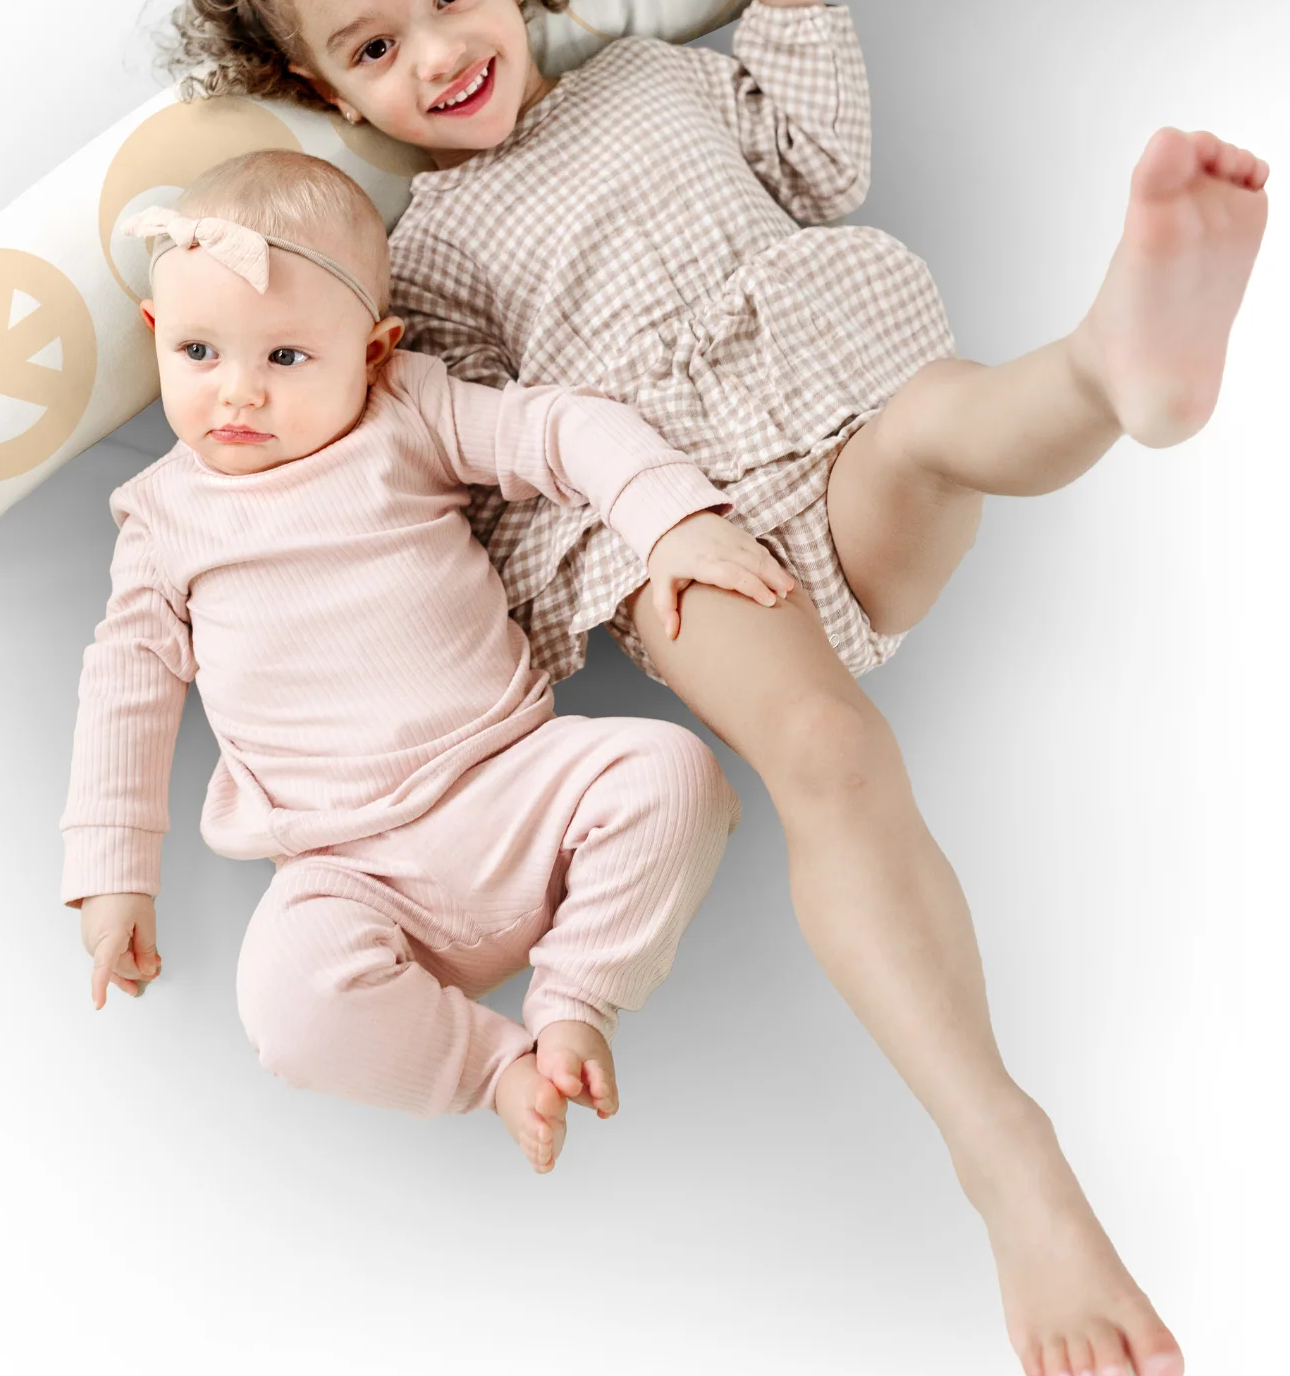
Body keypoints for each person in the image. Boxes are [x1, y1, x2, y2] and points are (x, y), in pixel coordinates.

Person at [166, 0, 1272, 1376]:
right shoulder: (420, 266)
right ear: (327, 91)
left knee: (945, 424)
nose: (440, 54)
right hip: (679, 535)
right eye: (375, 47)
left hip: (840, 404)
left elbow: (816, 165)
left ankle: (1115, 373)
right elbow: (473, 469)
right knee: (827, 750)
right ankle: (1008, 1157)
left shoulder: (650, 78)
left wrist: (793, 5)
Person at [62, 148, 793, 1172]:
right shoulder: (162, 517)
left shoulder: (405, 411)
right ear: (155, 335)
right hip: (346, 870)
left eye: (286, 357)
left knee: (674, 772)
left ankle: (577, 1000)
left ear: (373, 351)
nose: (238, 393)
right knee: (285, 1008)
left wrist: (668, 516)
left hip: (514, 789)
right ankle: (496, 1070)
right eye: (197, 351)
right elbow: (124, 693)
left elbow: (558, 427)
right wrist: (111, 877)